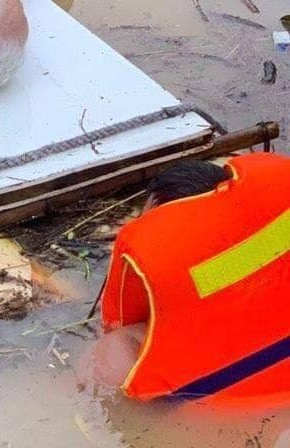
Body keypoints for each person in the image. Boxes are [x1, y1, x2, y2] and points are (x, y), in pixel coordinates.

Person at [93, 153, 290, 407]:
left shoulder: (166, 259)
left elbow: (120, 321)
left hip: (211, 395)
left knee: (115, 344)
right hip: (275, 366)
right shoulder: (273, 218)